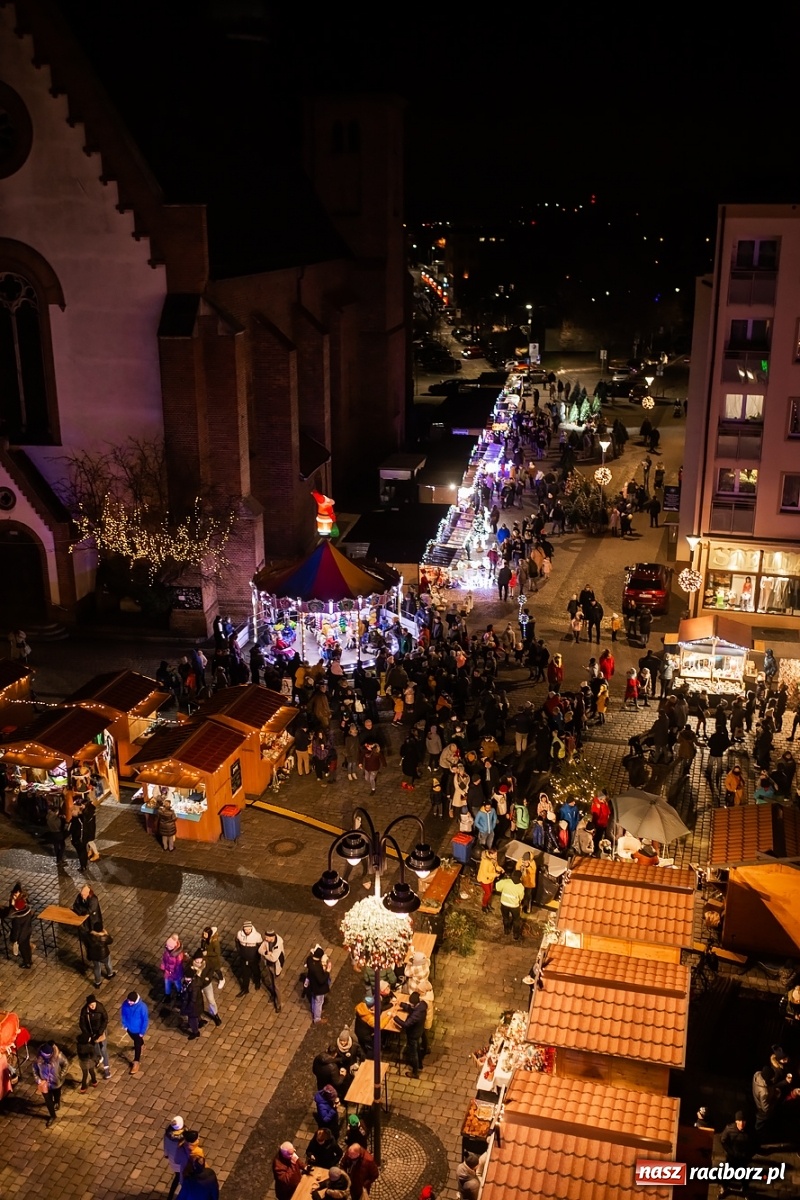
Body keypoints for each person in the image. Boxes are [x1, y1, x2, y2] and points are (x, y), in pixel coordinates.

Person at [718, 1110, 757, 1198]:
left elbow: (756, 1144)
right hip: (732, 1158)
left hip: (744, 1159)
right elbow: (723, 1141)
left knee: (745, 1177)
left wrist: (749, 1154)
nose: (742, 1124)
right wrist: (730, 1152)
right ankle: (724, 1188)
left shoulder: (751, 1131)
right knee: (726, 1174)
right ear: (736, 1121)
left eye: (743, 1121)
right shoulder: (729, 1129)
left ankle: (745, 1189)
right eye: (739, 1121)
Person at [393, 990, 429, 1078]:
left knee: (413, 1053)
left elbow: (406, 1024)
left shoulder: (416, 1015)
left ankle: (415, 1072)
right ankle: (420, 1064)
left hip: (413, 1034)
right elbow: (411, 1008)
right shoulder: (422, 1005)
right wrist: (401, 1004)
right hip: (419, 1031)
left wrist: (395, 1017)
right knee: (417, 1049)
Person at [33, 1042, 69, 1127]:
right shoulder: (38, 1058)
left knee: (57, 1095)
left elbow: (66, 1064)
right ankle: (52, 1115)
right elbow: (34, 1070)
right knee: (48, 1101)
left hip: (56, 1083)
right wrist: (38, 1080)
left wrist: (60, 1075)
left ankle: (57, 1102)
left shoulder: (58, 1056)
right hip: (44, 1085)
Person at [80, 993, 111, 1078]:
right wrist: (88, 1034)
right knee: (96, 1047)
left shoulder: (100, 1008)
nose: (92, 1006)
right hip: (92, 1033)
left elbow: (105, 1019)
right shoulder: (85, 1011)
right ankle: (99, 1057)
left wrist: (100, 1032)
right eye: (90, 1005)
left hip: (101, 1032)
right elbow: (82, 1024)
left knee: (103, 1049)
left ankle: (107, 1070)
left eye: (93, 1004)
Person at [121, 990, 149, 1074]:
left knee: (136, 1044)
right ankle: (142, 1044)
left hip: (138, 1030)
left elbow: (145, 1020)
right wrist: (125, 1025)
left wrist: (142, 1032)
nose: (129, 1003)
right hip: (129, 1028)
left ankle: (136, 1062)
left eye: (131, 1001)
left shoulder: (142, 1007)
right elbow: (123, 1014)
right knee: (136, 1040)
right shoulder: (125, 1003)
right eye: (128, 1000)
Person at [6, 883, 33, 968]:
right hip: (27, 930)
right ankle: (29, 960)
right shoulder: (26, 907)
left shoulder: (17, 918)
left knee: (23, 948)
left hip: (22, 934)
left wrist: (14, 939)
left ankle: (27, 963)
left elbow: (16, 929)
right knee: (26, 946)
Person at [164, 1115, 190, 1200]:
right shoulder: (184, 1138)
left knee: (177, 1177)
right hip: (182, 1163)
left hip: (173, 1161)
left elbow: (165, 1147)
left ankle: (170, 1196)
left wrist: (166, 1155)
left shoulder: (167, 1134)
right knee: (183, 1180)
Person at [259, 929, 285, 1013]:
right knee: (271, 981)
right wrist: (267, 953)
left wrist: (266, 954)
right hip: (269, 964)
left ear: (272, 937)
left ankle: (278, 1004)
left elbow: (274, 958)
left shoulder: (278, 944)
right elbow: (260, 950)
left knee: (276, 985)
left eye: (267, 937)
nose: (265, 939)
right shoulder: (267, 941)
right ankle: (273, 995)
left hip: (276, 966)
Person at [306, 944, 331, 1024]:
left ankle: (315, 1011)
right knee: (319, 1001)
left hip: (312, 985)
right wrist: (327, 971)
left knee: (314, 999)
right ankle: (317, 1018)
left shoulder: (309, 960)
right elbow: (321, 980)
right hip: (319, 988)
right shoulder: (317, 968)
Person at [495, 870, 524, 939]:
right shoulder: (520, 886)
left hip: (504, 904)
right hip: (514, 906)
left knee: (505, 918)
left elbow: (497, 887)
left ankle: (506, 931)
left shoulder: (506, 882)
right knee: (516, 920)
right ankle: (516, 935)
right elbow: (521, 897)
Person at [236, 919, 263, 995]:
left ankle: (257, 982)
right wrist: (239, 952)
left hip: (253, 959)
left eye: (248, 929)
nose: (247, 931)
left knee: (256, 971)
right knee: (245, 974)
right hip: (244, 958)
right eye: (245, 929)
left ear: (251, 928)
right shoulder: (239, 934)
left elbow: (260, 946)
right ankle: (245, 989)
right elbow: (237, 942)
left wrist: (258, 957)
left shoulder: (257, 936)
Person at [161, 934, 186, 1004]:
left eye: (169, 946)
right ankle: (167, 996)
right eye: (167, 945)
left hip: (175, 973)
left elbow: (178, 966)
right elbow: (164, 960)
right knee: (167, 984)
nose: (167, 947)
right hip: (168, 971)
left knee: (178, 984)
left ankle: (180, 993)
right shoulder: (166, 952)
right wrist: (163, 967)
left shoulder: (178, 955)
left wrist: (173, 973)